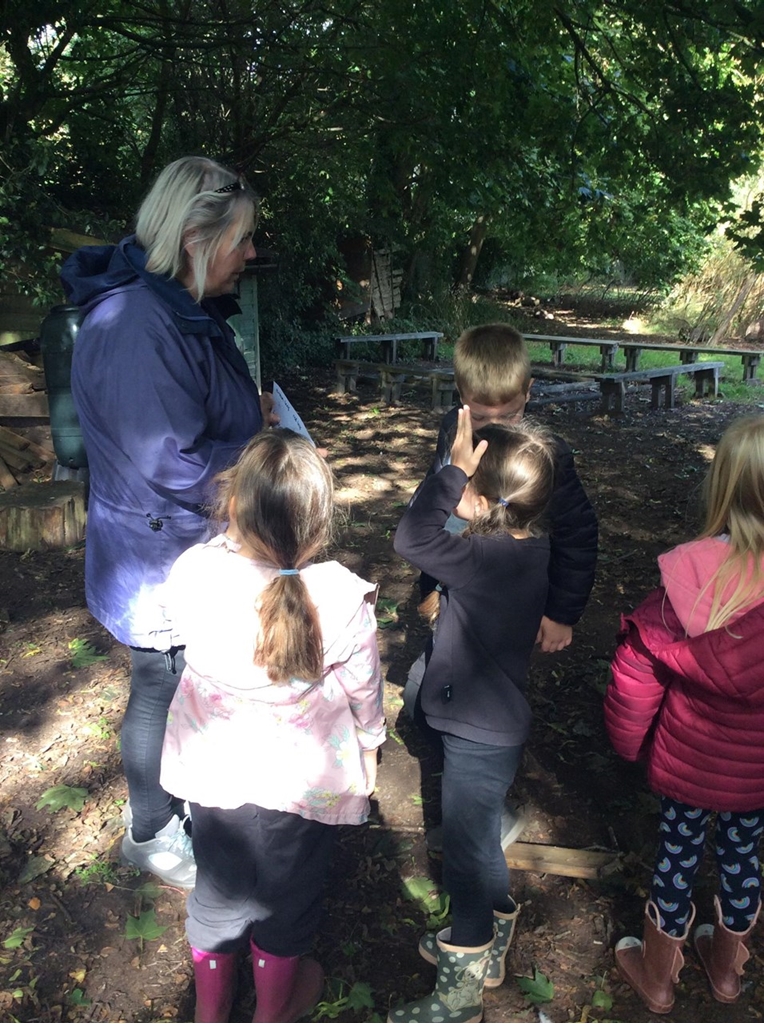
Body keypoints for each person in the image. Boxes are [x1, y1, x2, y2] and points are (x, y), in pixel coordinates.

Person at [62, 156, 270, 888]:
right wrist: (262, 465)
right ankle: (150, 832)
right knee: (161, 682)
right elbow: (170, 461)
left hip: (182, 539)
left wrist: (251, 426)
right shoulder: (134, 324)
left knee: (181, 680)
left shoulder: (174, 305)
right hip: (159, 553)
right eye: (241, 239)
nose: (251, 253)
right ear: (193, 238)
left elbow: (190, 414)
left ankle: (188, 800)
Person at [158, 429, 385, 1023]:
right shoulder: (339, 595)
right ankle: (272, 1011)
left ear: (232, 505)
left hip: (215, 769)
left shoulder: (193, 573)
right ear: (317, 526)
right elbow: (364, 686)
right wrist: (370, 743)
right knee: (289, 896)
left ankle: (210, 1012)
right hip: (301, 782)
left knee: (218, 886)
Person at [389, 409, 556, 1023]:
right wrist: (468, 482)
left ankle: (459, 992)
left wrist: (452, 471)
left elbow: (411, 539)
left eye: (467, 485)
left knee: (462, 857)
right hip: (498, 727)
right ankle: (492, 947)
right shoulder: (532, 550)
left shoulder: (479, 558)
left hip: (474, 732)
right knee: (482, 836)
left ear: (481, 502)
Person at [605, 415, 764, 1015]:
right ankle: (726, 973)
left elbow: (638, 670)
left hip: (689, 761)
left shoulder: (689, 571)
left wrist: (628, 742)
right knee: (743, 858)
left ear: (722, 484)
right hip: (756, 771)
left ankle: (658, 977)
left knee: (678, 855)